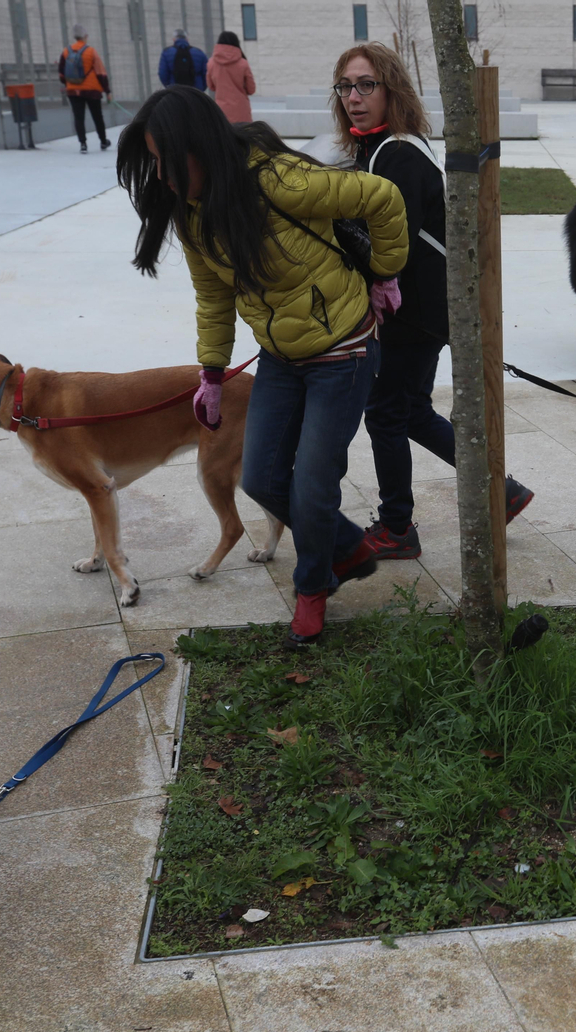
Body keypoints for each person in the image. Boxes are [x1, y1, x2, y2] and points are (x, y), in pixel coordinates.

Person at [115, 86, 410, 647]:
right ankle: (346, 546)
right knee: (261, 478)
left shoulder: (281, 181)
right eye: (152, 161)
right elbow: (213, 297)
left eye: (165, 159)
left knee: (313, 484)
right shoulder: (193, 214)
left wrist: (385, 271)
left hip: (342, 349)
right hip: (280, 356)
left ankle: (313, 586)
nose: (160, 175)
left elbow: (384, 197)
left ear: (200, 147)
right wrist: (211, 373)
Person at [331, 42, 534, 561]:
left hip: (414, 310)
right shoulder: (381, 148)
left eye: (366, 85)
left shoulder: (397, 153)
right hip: (426, 306)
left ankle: (397, 528)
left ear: (391, 89)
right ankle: (503, 491)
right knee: (412, 411)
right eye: (346, 87)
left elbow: (388, 244)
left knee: (385, 414)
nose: (354, 97)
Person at [58, 24, 111, 154]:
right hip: (92, 90)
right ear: (85, 36)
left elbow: (61, 73)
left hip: (73, 91)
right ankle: (103, 141)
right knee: (97, 116)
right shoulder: (91, 51)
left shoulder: (66, 51)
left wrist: (69, 84)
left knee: (78, 117)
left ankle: (83, 144)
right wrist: (107, 91)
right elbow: (101, 73)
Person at [206, 30, 256, 125]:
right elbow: (251, 89)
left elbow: (211, 86)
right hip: (241, 112)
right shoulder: (243, 63)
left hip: (221, 111)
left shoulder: (211, 63)